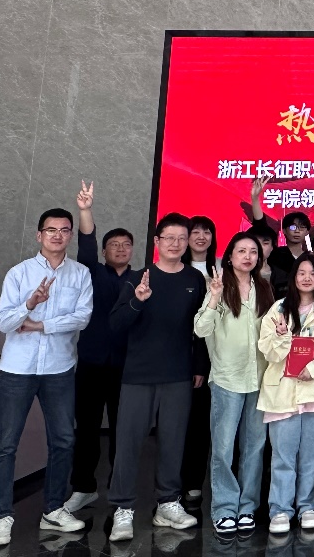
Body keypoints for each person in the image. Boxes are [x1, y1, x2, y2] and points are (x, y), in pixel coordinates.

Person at [0, 207, 93, 547]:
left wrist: (39, 325)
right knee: (6, 445)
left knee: (63, 440)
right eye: (51, 230)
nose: (58, 236)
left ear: (71, 235)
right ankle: (2, 517)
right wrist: (29, 304)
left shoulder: (80, 274)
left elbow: (82, 318)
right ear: (39, 235)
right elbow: (4, 322)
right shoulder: (19, 273)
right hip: (17, 370)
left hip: (59, 369)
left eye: (64, 230)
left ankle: (53, 509)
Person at [106, 212, 207, 542]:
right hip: (138, 374)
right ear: (157, 242)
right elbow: (116, 324)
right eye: (170, 238)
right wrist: (137, 301)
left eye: (182, 238)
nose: (176, 244)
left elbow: (200, 328)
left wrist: (199, 366)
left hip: (178, 374)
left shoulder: (195, 279)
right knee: (128, 443)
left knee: (174, 442)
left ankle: (167, 503)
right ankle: (123, 507)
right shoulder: (138, 278)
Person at [194, 231, 275, 536]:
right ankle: (224, 508)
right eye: (241, 251)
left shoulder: (264, 288)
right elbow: (201, 329)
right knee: (224, 448)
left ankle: (247, 507)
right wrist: (214, 297)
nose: (248, 256)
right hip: (227, 378)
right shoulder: (218, 286)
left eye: (253, 252)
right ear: (230, 256)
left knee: (254, 447)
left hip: (259, 378)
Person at [65, 183, 133, 514]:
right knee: (87, 429)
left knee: (123, 432)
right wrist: (85, 210)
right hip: (92, 364)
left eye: (126, 245)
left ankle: (120, 493)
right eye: (114, 245)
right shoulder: (91, 272)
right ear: (105, 251)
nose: (120, 249)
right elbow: (87, 244)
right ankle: (83, 488)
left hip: (127, 367)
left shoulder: (143, 279)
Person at [258, 253, 314, 535]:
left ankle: (308, 507)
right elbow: (268, 351)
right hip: (282, 392)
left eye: (312, 273)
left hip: (313, 391)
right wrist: (280, 336)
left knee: (313, 456)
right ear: (293, 277)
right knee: (283, 456)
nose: (306, 278)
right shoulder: (278, 309)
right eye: (301, 272)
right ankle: (280, 509)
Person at [181, 216, 219, 504]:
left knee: (198, 424)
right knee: (174, 424)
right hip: (175, 353)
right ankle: (170, 486)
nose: (201, 236)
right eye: (196, 231)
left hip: (206, 357)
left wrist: (201, 365)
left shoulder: (220, 270)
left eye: (207, 231)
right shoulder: (175, 267)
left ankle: (193, 481)